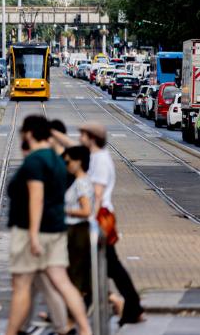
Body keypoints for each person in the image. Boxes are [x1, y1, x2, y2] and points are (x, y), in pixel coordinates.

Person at [4, 115, 91, 335]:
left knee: (21, 285)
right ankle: (85, 330)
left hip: (31, 230)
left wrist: (33, 235)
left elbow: (36, 197)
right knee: (62, 283)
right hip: (56, 228)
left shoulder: (35, 161)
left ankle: (11, 332)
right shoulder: (56, 159)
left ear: (30, 133)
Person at [78, 123, 144, 325]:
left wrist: (92, 221)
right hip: (101, 217)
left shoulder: (100, 160)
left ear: (92, 137)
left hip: (101, 217)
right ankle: (129, 306)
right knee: (104, 266)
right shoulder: (97, 156)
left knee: (106, 265)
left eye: (83, 135)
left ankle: (129, 306)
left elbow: (97, 194)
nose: (80, 138)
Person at [63, 145, 94, 307]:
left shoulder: (81, 183)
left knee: (75, 273)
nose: (67, 165)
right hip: (77, 230)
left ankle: (72, 315)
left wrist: (64, 210)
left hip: (78, 231)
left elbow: (86, 210)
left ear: (78, 162)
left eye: (68, 162)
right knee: (78, 273)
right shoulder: (82, 180)